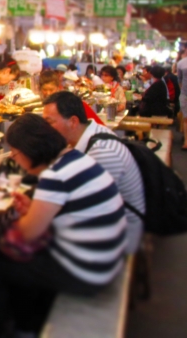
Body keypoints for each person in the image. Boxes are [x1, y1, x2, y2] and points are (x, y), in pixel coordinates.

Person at [0, 114, 126, 336]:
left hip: (89, 272)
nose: (15, 160)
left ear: (30, 150)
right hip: (105, 260)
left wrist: (27, 217)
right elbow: (67, 212)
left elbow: (27, 233)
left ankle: (0, 331)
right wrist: (33, 209)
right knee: (23, 262)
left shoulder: (56, 176)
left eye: (15, 154)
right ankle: (27, 324)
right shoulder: (76, 159)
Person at [42, 92, 145, 254]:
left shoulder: (102, 151)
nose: (45, 129)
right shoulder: (90, 135)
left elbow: (89, 212)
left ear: (73, 122)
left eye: (50, 122)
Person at [39, 70, 105, 126]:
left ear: (58, 88)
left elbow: (99, 125)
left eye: (51, 90)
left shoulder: (70, 104)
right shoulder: (42, 107)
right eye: (44, 90)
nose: (48, 93)